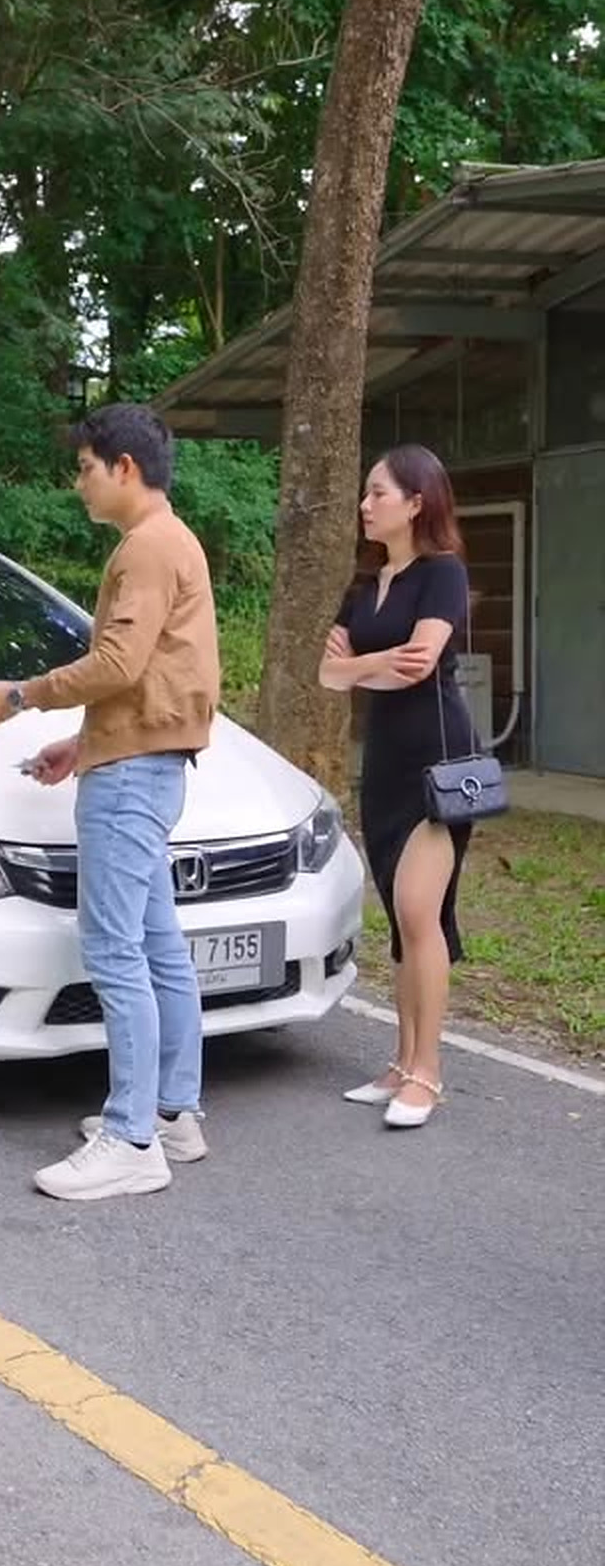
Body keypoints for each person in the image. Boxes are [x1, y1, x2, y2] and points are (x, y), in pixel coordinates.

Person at [0, 403, 221, 1201]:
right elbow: (157, 678)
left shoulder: (146, 547)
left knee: (115, 950)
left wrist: (22, 694)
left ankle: (131, 1139)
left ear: (123, 468)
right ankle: (172, 1114)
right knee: (158, 946)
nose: (78, 483)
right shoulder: (173, 540)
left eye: (84, 469)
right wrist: (81, 745)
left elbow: (118, 662)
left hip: (131, 782)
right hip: (147, 764)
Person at [319, 444, 475, 1130]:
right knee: (403, 922)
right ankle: (401, 1063)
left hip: (437, 759)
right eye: (365, 492)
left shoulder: (442, 574)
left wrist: (362, 664)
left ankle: (427, 1073)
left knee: (419, 912)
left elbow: (421, 663)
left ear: (416, 502)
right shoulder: (364, 583)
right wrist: (371, 664)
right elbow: (326, 676)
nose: (365, 503)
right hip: (382, 762)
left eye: (378, 492)